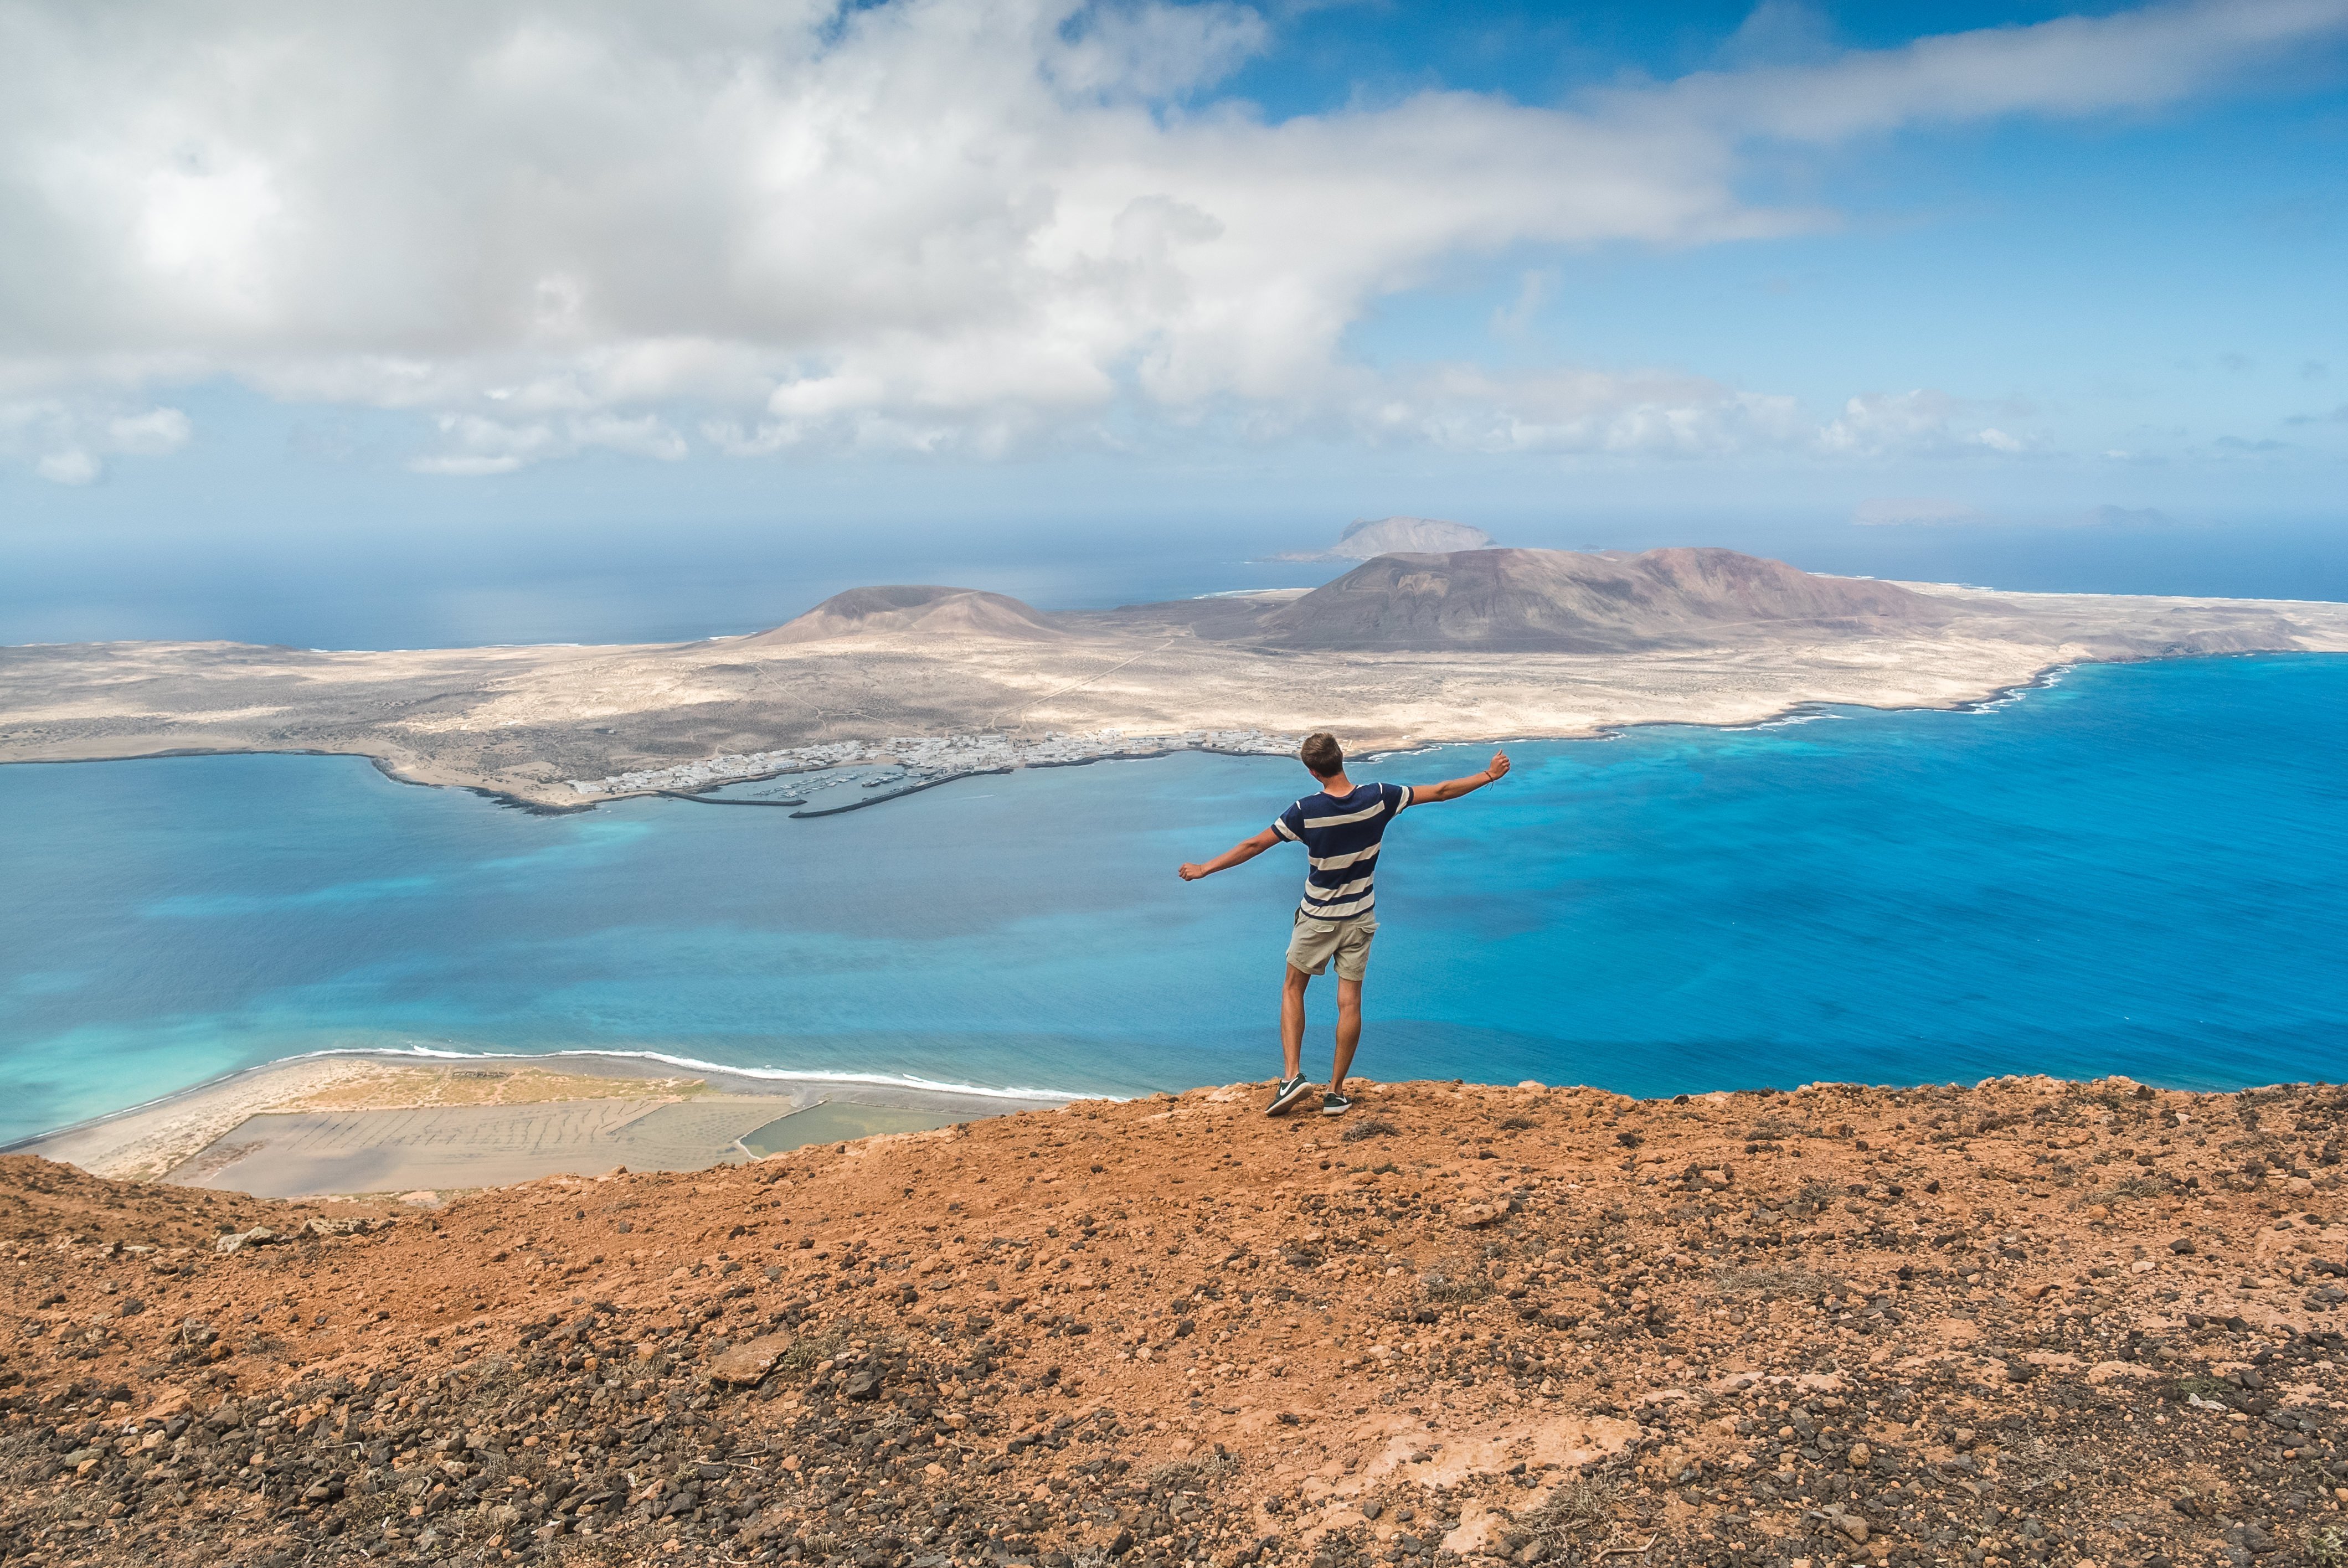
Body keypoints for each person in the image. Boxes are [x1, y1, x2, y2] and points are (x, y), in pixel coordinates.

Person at [1177, 731, 1511, 1116]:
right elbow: (1441, 791)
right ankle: (1335, 1093)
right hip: (1360, 918)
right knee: (1349, 1002)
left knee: (1292, 988)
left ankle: (1292, 1077)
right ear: (1341, 759)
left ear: (1312, 770)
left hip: (1318, 918)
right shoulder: (1380, 797)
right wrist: (1489, 775)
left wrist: (1205, 868)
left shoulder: (1305, 811)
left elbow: (1254, 845)